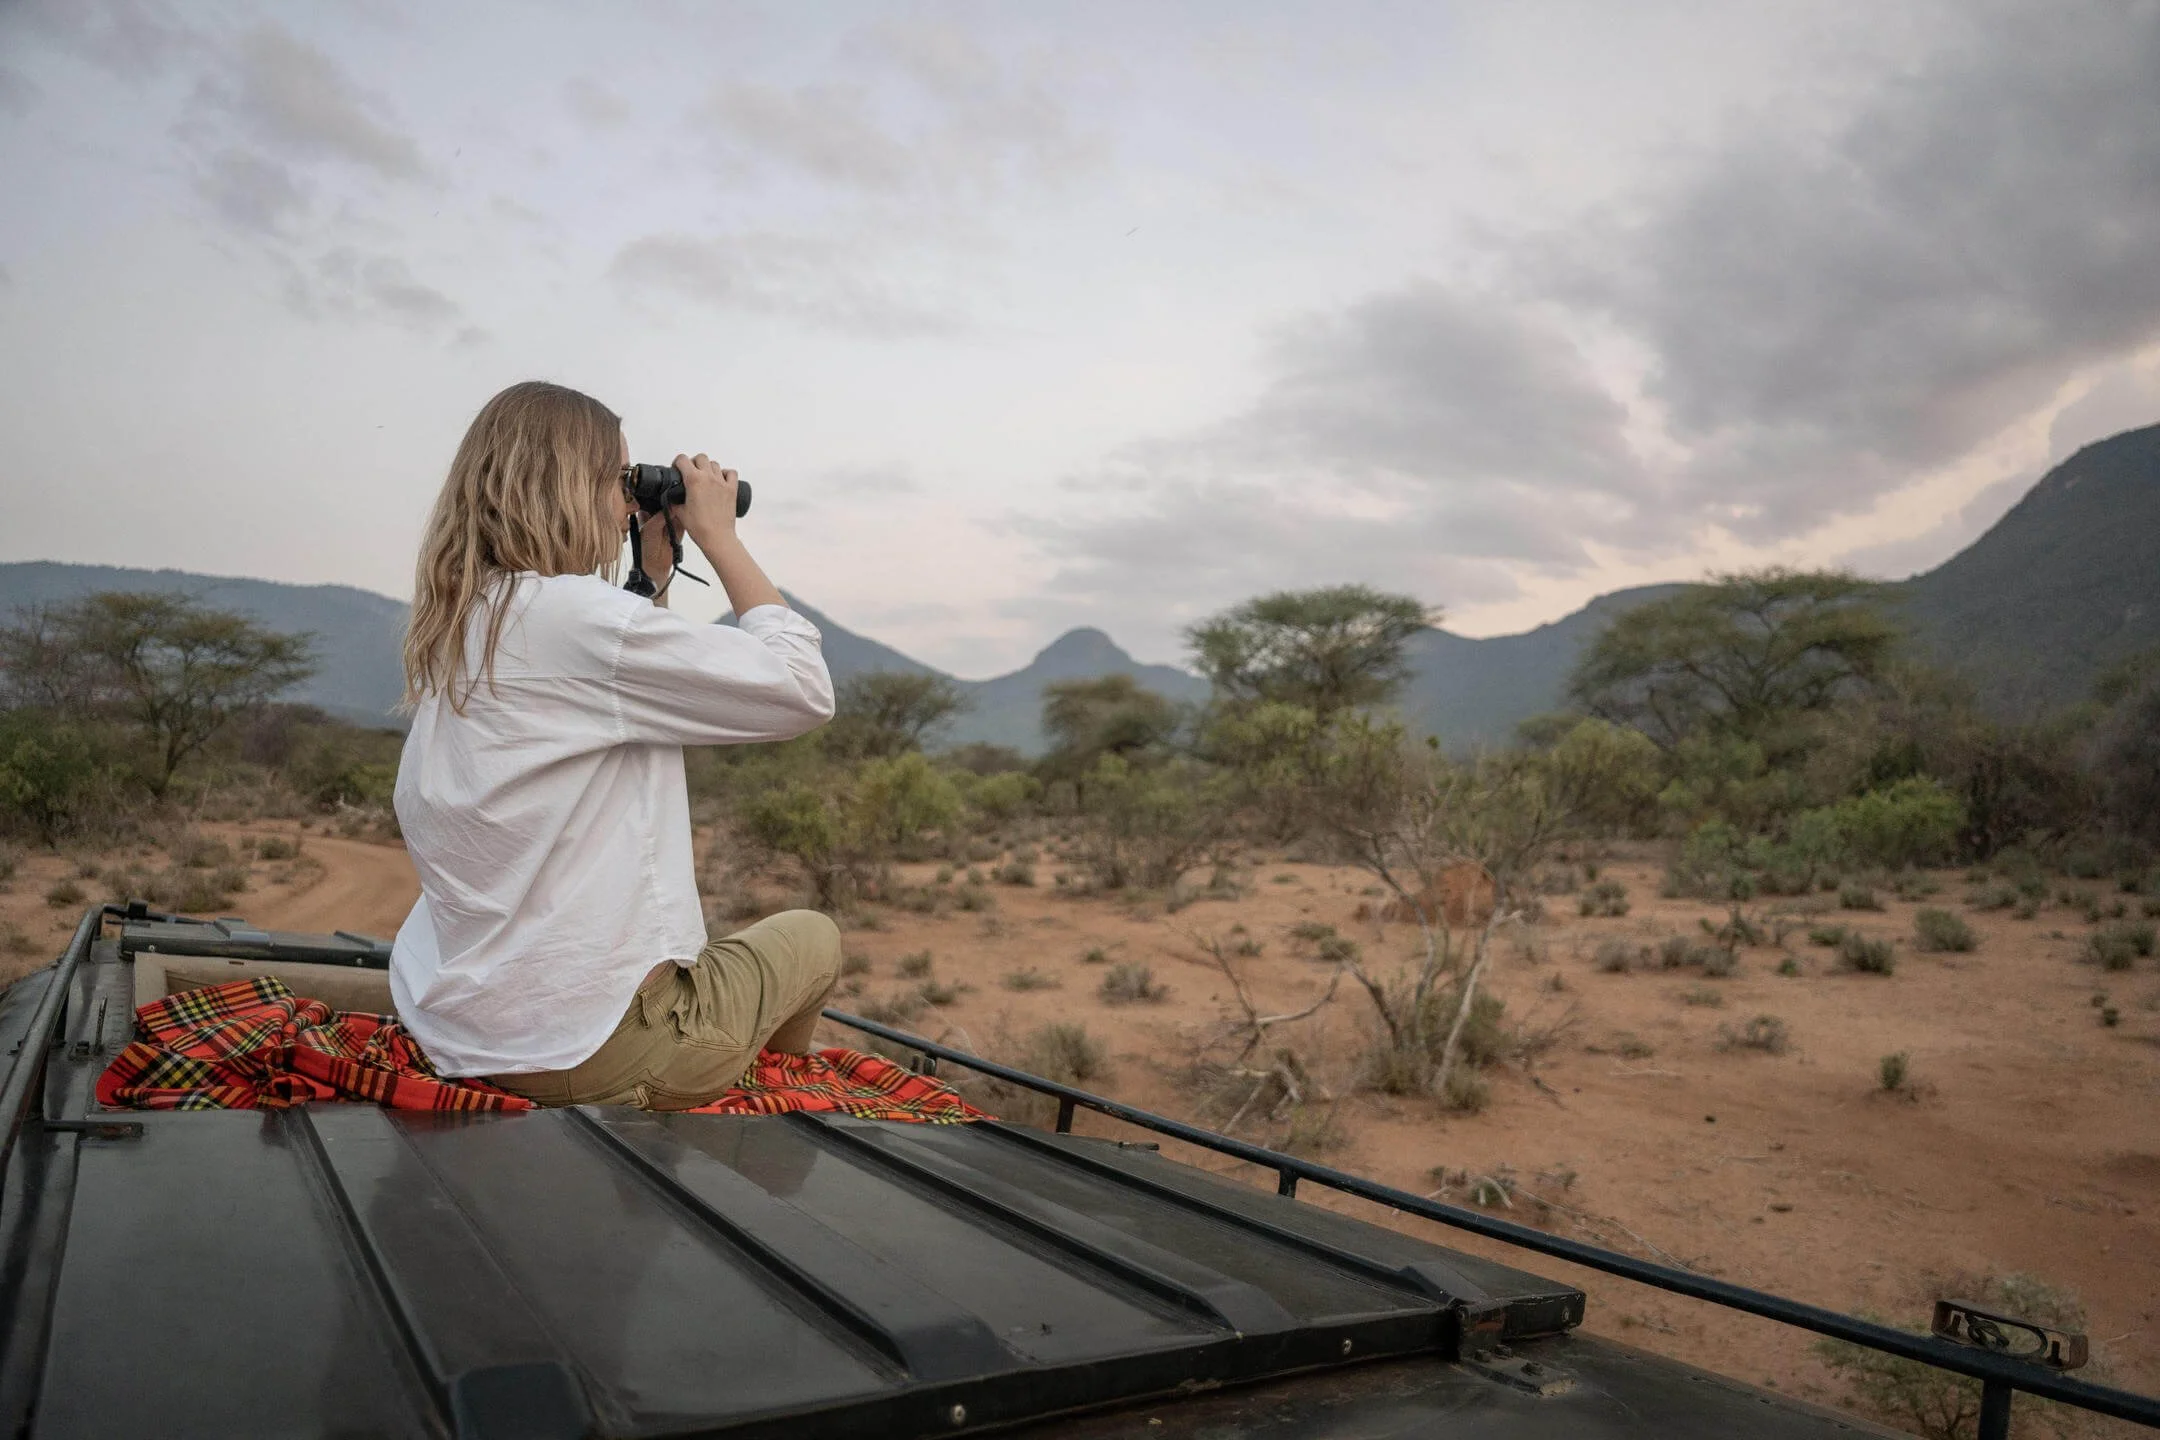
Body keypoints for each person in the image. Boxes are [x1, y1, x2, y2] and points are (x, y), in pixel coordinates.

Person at [390, 380, 840, 1108]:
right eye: (619, 480)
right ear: (567, 486)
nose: (632, 501)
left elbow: (616, 686)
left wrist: (654, 577)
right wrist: (722, 538)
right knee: (814, 937)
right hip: (594, 1050)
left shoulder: (469, 615)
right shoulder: (572, 615)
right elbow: (802, 687)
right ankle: (761, 1117)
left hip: (464, 1031)